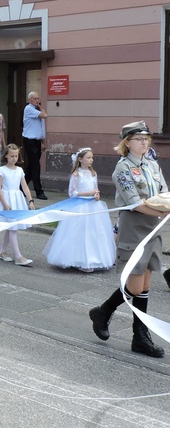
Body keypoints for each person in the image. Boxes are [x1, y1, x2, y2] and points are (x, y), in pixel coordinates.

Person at [89, 121, 167, 358]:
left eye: (146, 138)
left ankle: (139, 337)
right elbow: (135, 202)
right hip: (133, 228)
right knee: (134, 286)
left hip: (153, 228)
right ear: (126, 143)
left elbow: (164, 193)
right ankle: (104, 312)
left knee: (144, 285)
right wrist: (164, 211)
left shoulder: (152, 165)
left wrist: (164, 208)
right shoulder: (122, 169)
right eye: (138, 139)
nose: (144, 142)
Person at [44, 148, 115, 272]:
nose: (91, 160)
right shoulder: (76, 174)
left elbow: (95, 189)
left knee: (94, 232)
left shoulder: (93, 174)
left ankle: (95, 259)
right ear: (80, 159)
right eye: (88, 157)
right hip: (80, 206)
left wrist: (97, 196)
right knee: (79, 232)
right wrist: (88, 193)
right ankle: (78, 259)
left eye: (92, 157)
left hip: (93, 206)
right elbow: (72, 193)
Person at [0, 144, 36, 266]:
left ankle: (2, 252)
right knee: (13, 228)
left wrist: (30, 200)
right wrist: (5, 204)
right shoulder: (1, 170)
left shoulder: (20, 170)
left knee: (10, 227)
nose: (14, 158)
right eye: (11, 156)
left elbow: (25, 186)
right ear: (6, 155)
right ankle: (18, 257)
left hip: (17, 200)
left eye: (16, 156)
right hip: (6, 200)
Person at [22, 91, 48, 200]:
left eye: (38, 99)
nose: (37, 101)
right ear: (29, 100)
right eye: (35, 99)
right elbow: (45, 115)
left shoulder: (36, 109)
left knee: (31, 167)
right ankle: (39, 191)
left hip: (37, 141)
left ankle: (20, 187)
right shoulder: (29, 109)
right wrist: (41, 107)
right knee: (36, 166)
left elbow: (41, 127)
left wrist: (43, 142)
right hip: (29, 140)